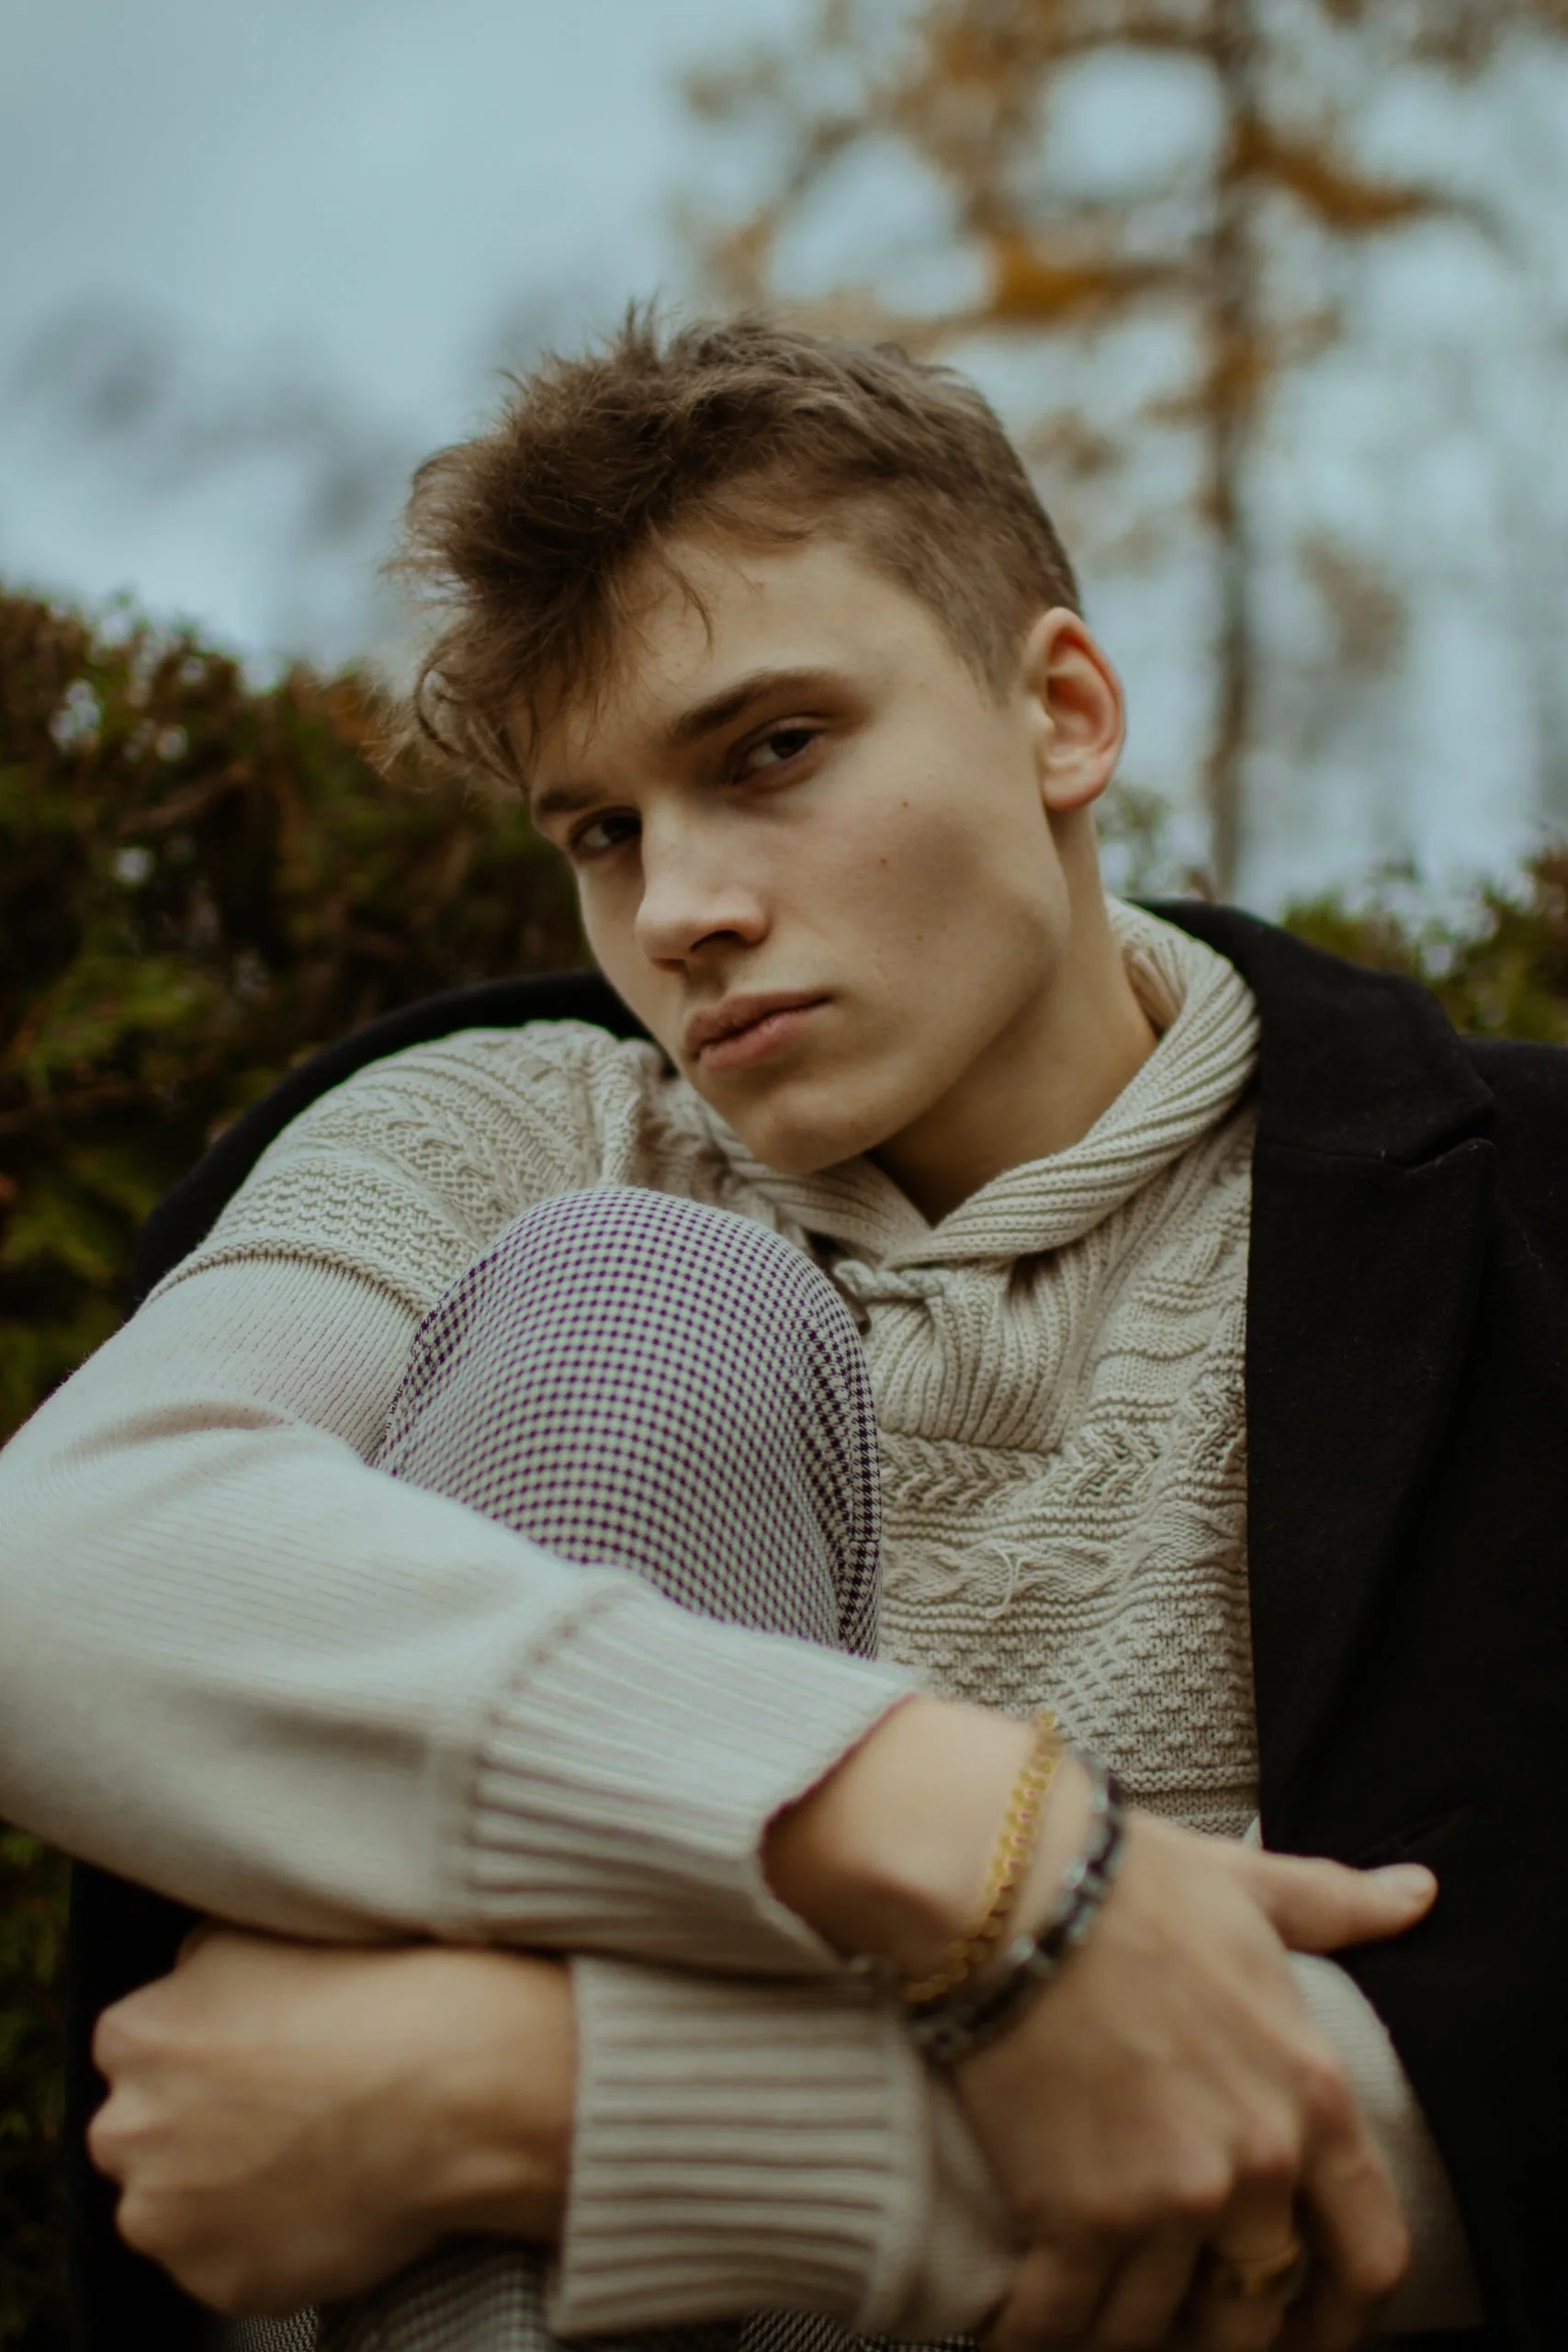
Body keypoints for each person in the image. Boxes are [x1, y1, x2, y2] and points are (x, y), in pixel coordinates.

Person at [0, 312, 1558, 2352]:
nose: (677, 911)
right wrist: (952, 1834)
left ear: (1062, 714)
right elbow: (57, 1563)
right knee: (638, 1301)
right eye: (602, 832)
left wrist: (537, 2105)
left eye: (770, 752)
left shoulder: (1526, 1211)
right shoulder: (504, 1132)